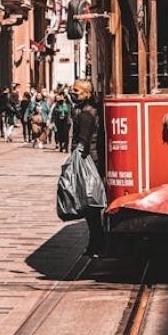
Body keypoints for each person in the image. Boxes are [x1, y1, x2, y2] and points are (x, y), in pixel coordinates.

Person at [71, 79, 105, 256]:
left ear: (86, 93)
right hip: (94, 159)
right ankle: (96, 242)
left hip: (88, 161)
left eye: (76, 91)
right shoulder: (93, 110)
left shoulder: (86, 114)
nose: (72, 93)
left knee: (90, 204)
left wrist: (75, 161)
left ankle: (96, 243)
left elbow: (83, 142)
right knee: (92, 204)